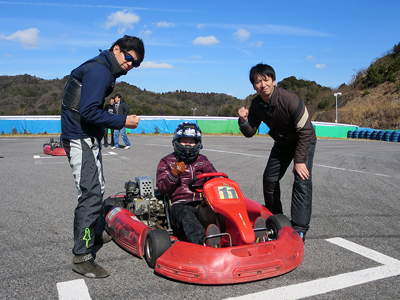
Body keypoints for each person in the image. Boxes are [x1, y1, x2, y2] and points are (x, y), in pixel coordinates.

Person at [61, 35, 144, 278]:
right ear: (116, 49)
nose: (130, 65)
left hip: (83, 136)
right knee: (90, 195)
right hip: (80, 137)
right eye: (129, 58)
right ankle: (82, 255)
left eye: (135, 64)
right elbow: (87, 112)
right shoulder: (100, 71)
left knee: (97, 188)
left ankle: (95, 232)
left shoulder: (99, 67)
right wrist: (122, 121)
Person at [238, 63, 317, 243]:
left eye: (266, 80)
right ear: (253, 86)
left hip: (303, 140)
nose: (262, 84)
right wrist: (243, 121)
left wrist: (299, 161)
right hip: (282, 143)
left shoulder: (290, 99)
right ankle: (276, 219)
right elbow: (250, 132)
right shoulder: (256, 104)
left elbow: (305, 131)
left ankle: (299, 229)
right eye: (258, 82)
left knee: (301, 179)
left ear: (273, 80)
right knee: (270, 179)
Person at [156, 122, 221, 247]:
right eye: (184, 141)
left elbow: (215, 178)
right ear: (177, 142)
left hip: (202, 201)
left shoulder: (203, 160)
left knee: (223, 210)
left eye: (191, 142)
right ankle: (204, 243)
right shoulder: (167, 161)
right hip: (180, 203)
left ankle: (244, 234)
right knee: (187, 216)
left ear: (197, 143)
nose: (188, 145)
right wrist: (174, 174)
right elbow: (163, 190)